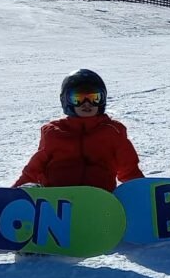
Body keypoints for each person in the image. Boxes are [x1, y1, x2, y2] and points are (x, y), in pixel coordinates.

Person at [14, 69, 144, 191]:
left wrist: (143, 193)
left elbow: (129, 169)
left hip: (101, 200)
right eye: (78, 99)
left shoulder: (113, 131)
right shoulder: (54, 133)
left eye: (94, 98)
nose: (86, 104)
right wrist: (13, 194)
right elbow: (34, 168)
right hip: (58, 202)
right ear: (66, 100)